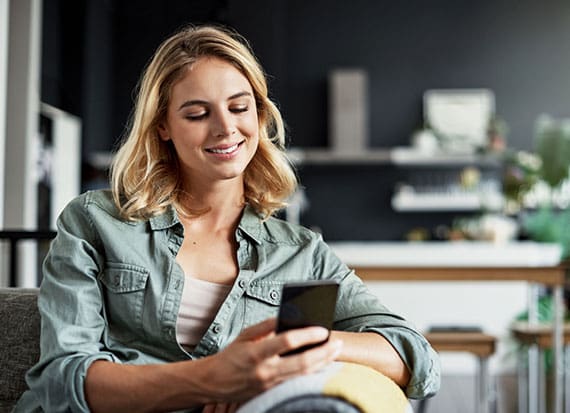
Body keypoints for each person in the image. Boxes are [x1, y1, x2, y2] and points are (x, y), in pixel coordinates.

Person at [15, 25, 440, 413]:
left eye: (240, 107)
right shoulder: (96, 222)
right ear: (162, 125)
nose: (225, 128)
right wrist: (213, 379)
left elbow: (414, 356)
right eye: (197, 114)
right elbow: (63, 382)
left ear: (259, 114)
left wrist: (296, 350)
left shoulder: (299, 251)